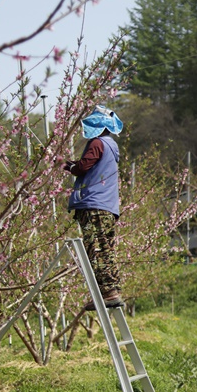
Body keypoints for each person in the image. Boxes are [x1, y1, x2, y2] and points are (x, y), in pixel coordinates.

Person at [64, 105, 124, 311]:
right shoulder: (112, 145)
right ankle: (110, 289)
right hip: (108, 205)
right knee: (105, 248)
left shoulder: (97, 143)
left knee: (96, 248)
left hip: (94, 205)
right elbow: (91, 165)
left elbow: (83, 167)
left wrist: (69, 166)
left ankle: (108, 293)